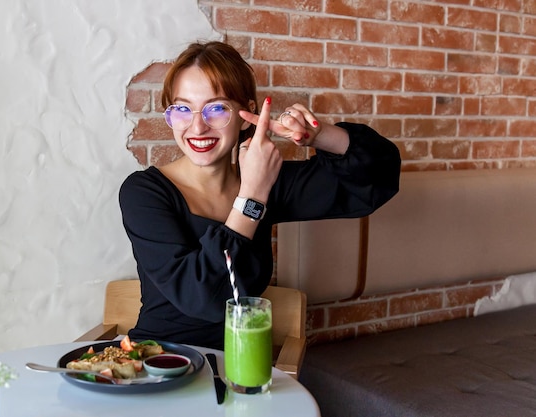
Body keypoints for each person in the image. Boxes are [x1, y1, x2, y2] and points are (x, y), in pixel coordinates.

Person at [119, 41, 401, 350]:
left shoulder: (267, 178)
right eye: (183, 109)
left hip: (242, 369)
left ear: (246, 115)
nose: (197, 126)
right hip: (160, 366)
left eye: (217, 108)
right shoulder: (145, 193)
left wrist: (319, 135)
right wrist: (252, 196)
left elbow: (377, 179)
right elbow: (202, 297)